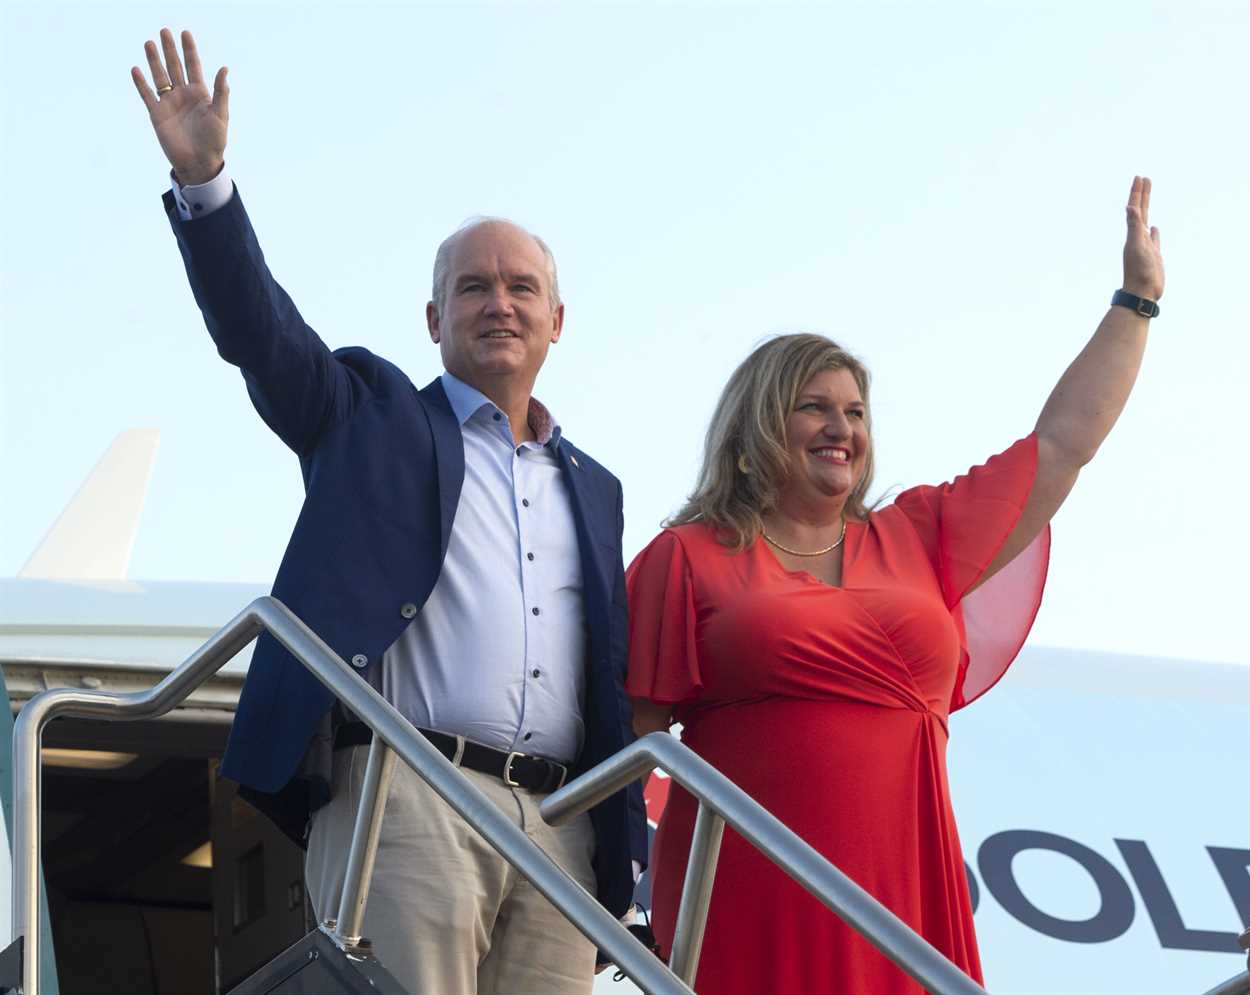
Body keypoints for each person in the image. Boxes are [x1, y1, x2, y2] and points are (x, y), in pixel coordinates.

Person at [129, 28, 646, 995]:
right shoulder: (367, 414)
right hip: (410, 794)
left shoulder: (598, 487)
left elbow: (611, 680)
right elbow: (259, 333)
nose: (500, 303)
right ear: (433, 319)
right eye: (473, 287)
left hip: (561, 823)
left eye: (521, 287)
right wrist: (206, 187)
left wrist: (628, 856)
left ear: (557, 321)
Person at [624, 178, 1163, 993]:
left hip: (907, 885)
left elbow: (1061, 446)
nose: (843, 428)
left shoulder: (918, 535)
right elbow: (629, 741)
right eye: (815, 408)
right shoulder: (690, 554)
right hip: (751, 885)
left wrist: (1136, 302)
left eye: (856, 411)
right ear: (758, 427)